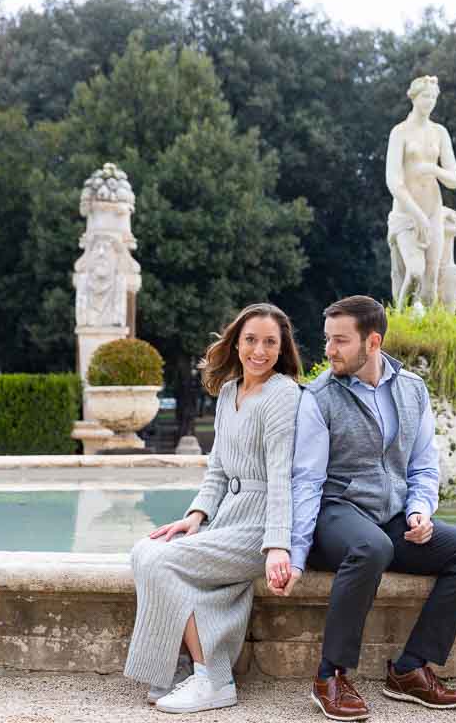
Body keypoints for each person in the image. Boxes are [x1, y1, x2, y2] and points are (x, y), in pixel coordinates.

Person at [274, 295, 456, 721]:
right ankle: (330, 676)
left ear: (372, 342)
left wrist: (419, 511)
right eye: (327, 340)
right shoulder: (318, 397)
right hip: (336, 514)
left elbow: (424, 464)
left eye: (340, 341)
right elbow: (307, 481)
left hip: (392, 516)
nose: (329, 350)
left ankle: (410, 669)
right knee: (371, 547)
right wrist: (295, 554)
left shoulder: (412, 389)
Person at [123, 303, 302, 714]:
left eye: (270, 342)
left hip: (258, 526)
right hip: (225, 517)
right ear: (237, 342)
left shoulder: (284, 394)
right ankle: (174, 668)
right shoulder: (227, 392)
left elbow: (281, 476)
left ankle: (212, 680)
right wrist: (195, 516)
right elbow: (218, 467)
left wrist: (277, 544)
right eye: (251, 340)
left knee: (162, 564)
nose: (260, 350)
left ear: (282, 348)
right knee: (144, 550)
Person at [386, 75, 456, 311]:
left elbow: (454, 180)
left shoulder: (439, 132)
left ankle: (426, 332)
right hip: (407, 214)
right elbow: (393, 181)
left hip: (433, 212)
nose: (429, 101)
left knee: (430, 283)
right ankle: (398, 322)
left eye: (433, 97)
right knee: (415, 273)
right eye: (425, 96)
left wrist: (432, 168)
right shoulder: (400, 132)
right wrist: (417, 215)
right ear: (414, 97)